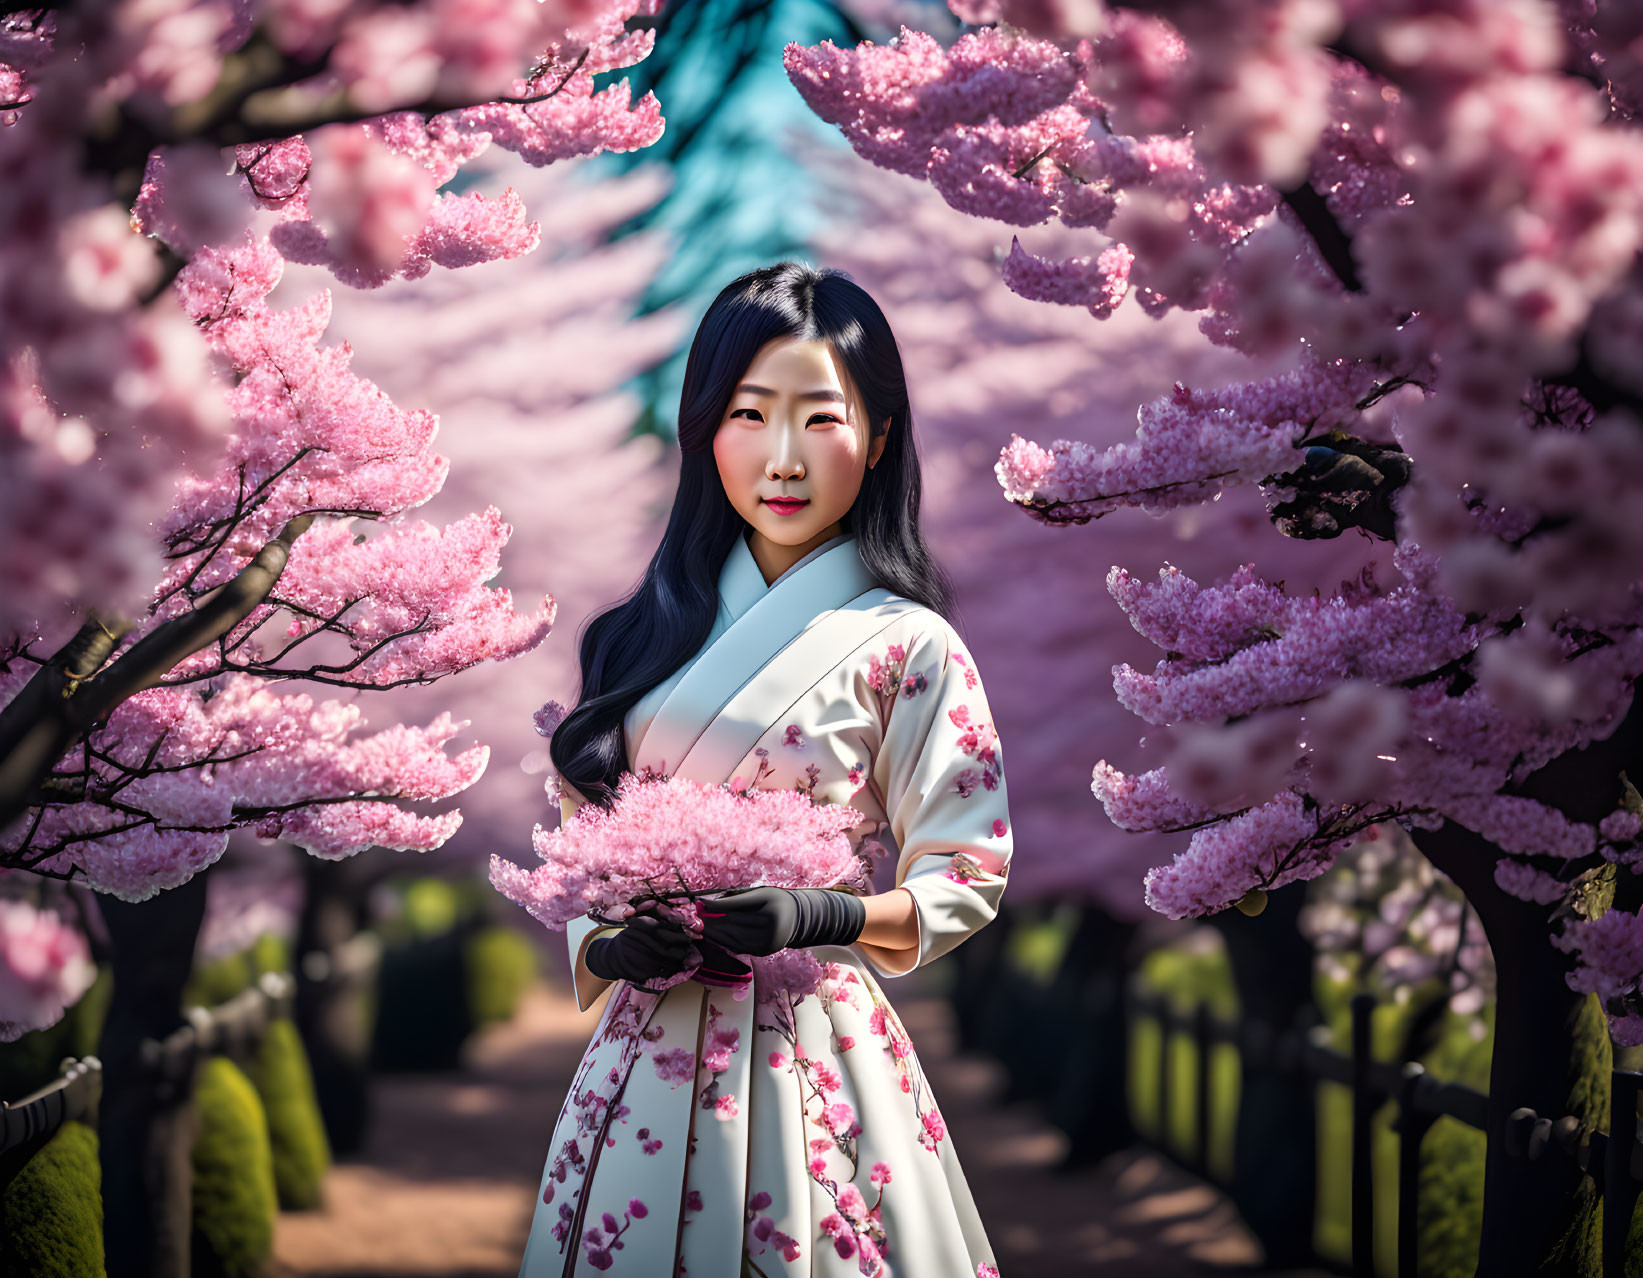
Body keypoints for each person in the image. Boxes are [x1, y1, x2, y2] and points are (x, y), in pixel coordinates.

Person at [518, 262, 1010, 1278]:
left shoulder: (911, 645)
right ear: (706, 430)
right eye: (749, 414)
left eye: (819, 420)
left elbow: (965, 872)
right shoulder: (632, 638)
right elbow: (577, 851)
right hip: (646, 1043)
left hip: (811, 1035)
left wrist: (822, 915)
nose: (782, 458)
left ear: (877, 439)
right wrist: (608, 946)